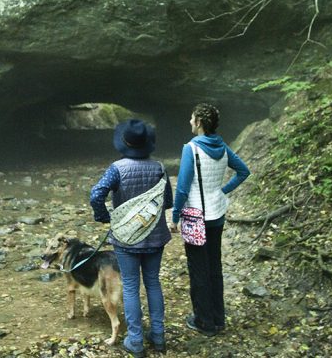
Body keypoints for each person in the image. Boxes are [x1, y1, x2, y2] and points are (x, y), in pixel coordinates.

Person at [90, 119, 173, 357]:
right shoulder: (159, 167)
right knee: (153, 283)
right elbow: (167, 201)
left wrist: (105, 216)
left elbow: (96, 194)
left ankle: (135, 341)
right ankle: (158, 336)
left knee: (130, 287)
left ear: (125, 143)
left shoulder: (117, 168)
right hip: (155, 237)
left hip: (126, 239)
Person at [170, 103, 250, 337]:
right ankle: (218, 318)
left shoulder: (191, 149)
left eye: (192, 118)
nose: (190, 122)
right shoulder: (223, 147)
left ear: (200, 122)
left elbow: (183, 188)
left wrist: (174, 216)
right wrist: (222, 191)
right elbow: (243, 172)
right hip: (217, 215)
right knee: (214, 267)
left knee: (198, 269)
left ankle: (203, 321)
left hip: (196, 216)